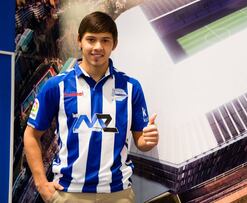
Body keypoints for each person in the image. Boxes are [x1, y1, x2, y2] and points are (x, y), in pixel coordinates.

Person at [24, 11, 159, 203]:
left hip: (118, 195)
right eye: (91, 39)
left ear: (115, 43)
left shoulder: (131, 87)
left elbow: (141, 141)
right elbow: (31, 135)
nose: (98, 47)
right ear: (80, 41)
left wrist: (150, 139)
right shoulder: (56, 86)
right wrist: (41, 185)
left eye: (105, 40)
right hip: (68, 194)